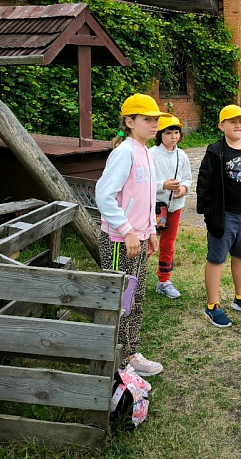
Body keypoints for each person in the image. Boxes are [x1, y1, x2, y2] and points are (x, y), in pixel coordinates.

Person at [95, 93, 166, 377]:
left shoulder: (146, 152)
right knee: (119, 300)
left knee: (135, 297)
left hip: (137, 241)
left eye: (156, 119)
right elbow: (104, 196)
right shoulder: (123, 152)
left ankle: (130, 352)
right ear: (130, 121)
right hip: (119, 242)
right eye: (147, 119)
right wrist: (127, 231)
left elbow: (146, 196)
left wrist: (149, 230)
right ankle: (115, 359)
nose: (154, 125)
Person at [196, 105, 241, 328]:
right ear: (221, 126)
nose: (238, 125)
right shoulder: (215, 152)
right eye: (232, 121)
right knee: (216, 259)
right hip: (223, 216)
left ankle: (240, 298)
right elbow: (204, 184)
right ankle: (212, 306)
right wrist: (210, 214)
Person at [149, 115, 192, 299]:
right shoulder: (151, 154)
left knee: (168, 243)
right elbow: (144, 182)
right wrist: (162, 186)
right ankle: (134, 276)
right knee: (147, 242)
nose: (173, 136)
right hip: (154, 207)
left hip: (174, 207)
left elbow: (188, 178)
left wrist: (183, 188)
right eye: (169, 133)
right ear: (160, 134)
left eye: (176, 132)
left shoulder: (181, 155)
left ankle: (164, 280)